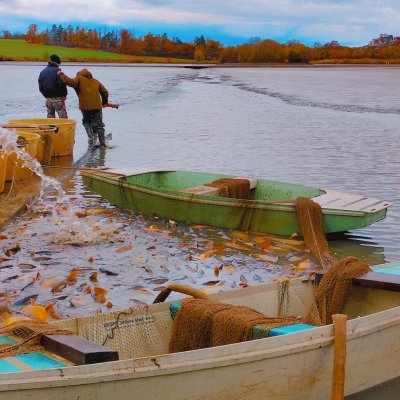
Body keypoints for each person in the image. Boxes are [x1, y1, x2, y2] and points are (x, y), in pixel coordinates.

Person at [57, 68, 109, 147]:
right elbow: (105, 92)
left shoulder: (79, 78)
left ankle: (91, 138)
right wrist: (104, 102)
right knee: (99, 125)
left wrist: (61, 74)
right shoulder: (95, 81)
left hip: (85, 107)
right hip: (97, 106)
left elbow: (70, 82)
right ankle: (102, 143)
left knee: (86, 121)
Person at [38, 54, 68, 118]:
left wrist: (46, 96)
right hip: (58, 99)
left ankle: (51, 128)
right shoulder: (58, 71)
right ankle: (63, 128)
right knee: (64, 119)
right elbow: (62, 84)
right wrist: (64, 95)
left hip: (48, 99)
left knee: (50, 119)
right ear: (57, 62)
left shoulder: (43, 72)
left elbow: (40, 87)